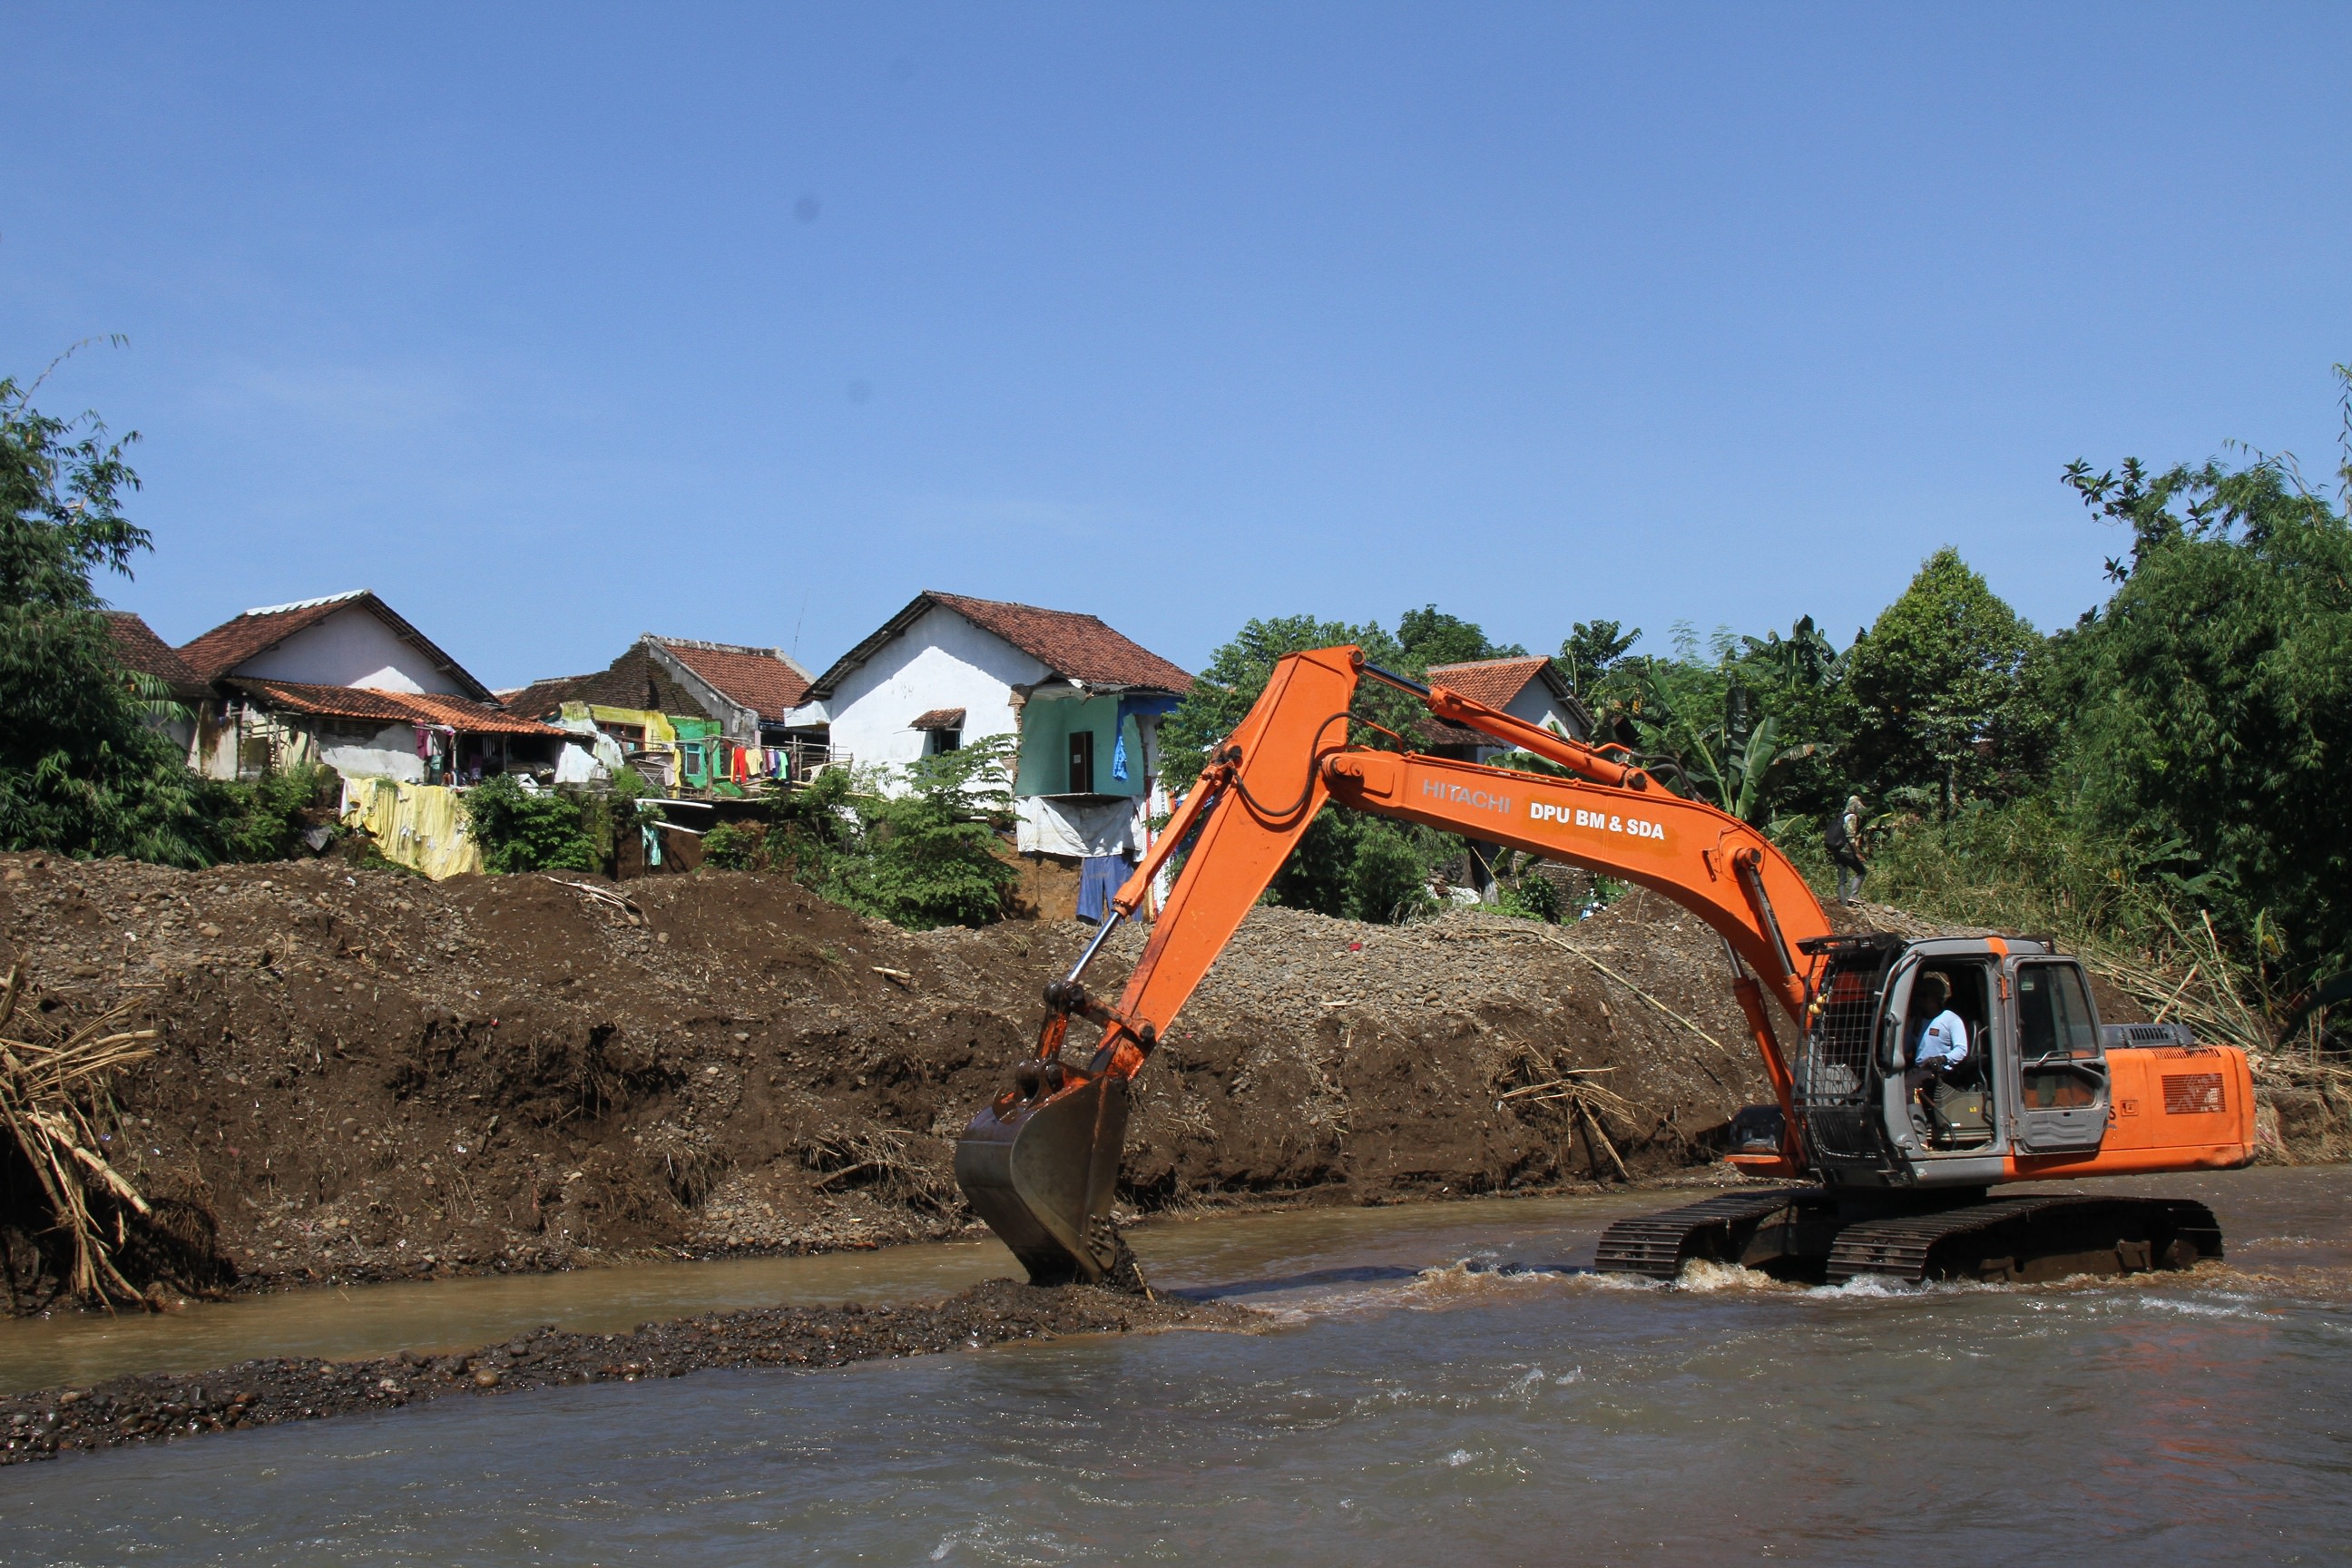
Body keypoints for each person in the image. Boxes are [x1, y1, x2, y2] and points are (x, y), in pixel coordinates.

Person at [1902, 973, 1970, 1112]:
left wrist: (1942, 1059)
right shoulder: (1917, 1021)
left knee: (1908, 1087)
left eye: (1924, 995)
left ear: (1936, 997)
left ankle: (1917, 1127)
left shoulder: (1951, 1020)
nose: (1920, 1000)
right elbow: (1905, 1047)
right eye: (1919, 996)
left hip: (1939, 1071)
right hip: (1920, 1069)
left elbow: (1961, 1049)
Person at [1826, 794, 1868, 905]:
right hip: (1846, 850)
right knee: (1861, 871)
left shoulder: (1841, 816)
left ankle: (1844, 904)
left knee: (1842, 878)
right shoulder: (1852, 817)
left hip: (1836, 850)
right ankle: (1853, 895)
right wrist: (1857, 853)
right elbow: (1850, 837)